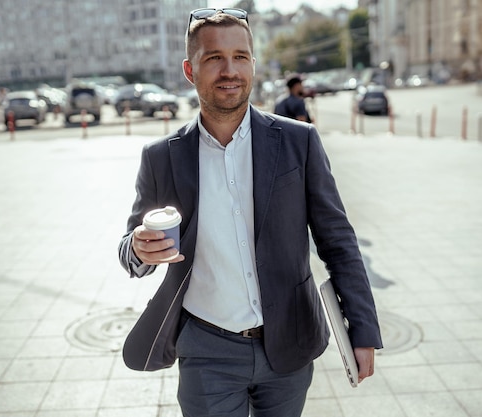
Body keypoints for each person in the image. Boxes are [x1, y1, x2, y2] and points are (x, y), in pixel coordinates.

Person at [118, 8, 382, 417]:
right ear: (190, 70)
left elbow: (338, 240)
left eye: (240, 56)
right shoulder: (162, 158)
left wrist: (362, 329)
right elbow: (131, 250)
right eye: (214, 58)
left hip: (290, 344)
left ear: (253, 65)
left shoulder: (299, 142)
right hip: (207, 350)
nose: (230, 70)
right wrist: (138, 249)